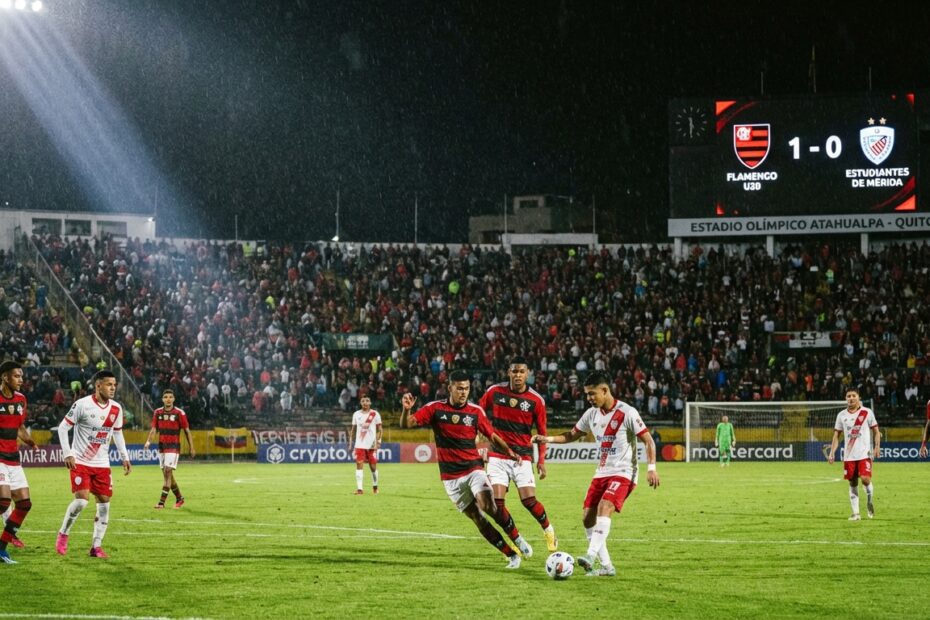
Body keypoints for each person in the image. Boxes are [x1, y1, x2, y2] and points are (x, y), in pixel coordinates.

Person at [533, 371, 659, 577]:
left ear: (605, 390)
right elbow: (571, 435)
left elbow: (648, 441)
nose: (589, 398)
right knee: (587, 518)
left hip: (624, 472)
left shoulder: (627, 412)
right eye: (587, 395)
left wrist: (651, 469)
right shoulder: (591, 414)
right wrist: (547, 439)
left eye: (592, 394)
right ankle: (607, 567)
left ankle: (590, 556)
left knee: (605, 506)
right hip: (601, 472)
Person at [400, 370, 529, 569]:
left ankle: (517, 538)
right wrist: (406, 410)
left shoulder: (475, 412)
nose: (464, 392)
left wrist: (509, 451)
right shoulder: (435, 409)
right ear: (449, 388)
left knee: (488, 505)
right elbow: (407, 424)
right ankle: (511, 554)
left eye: (467, 388)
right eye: (459, 388)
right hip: (450, 477)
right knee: (478, 518)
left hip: (473, 468)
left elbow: (492, 436)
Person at [478, 357, 557, 552]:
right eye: (514, 371)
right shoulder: (495, 392)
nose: (518, 375)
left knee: (528, 501)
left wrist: (541, 461)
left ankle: (549, 530)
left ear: (528, 373)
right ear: (508, 372)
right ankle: (518, 539)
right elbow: (477, 412)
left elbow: (542, 433)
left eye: (522, 371)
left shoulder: (536, 400)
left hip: (522, 457)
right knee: (496, 505)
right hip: (497, 455)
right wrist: (483, 431)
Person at [56, 370, 132, 558]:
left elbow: (117, 433)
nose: (113, 388)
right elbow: (63, 427)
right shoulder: (82, 405)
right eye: (109, 384)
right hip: (80, 461)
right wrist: (68, 453)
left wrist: (125, 456)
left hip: (102, 464)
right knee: (81, 501)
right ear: (98, 385)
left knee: (105, 505)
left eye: (114, 385)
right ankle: (63, 533)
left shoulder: (116, 409)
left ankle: (96, 547)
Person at [0, 361, 37, 564]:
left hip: (13, 458)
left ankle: (1, 549)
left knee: (24, 504)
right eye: (17, 376)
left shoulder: (21, 400)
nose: (21, 380)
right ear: (5, 377)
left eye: (21, 376)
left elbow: (20, 426)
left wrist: (29, 440)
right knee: (4, 501)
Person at [827, 387, 880, 520]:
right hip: (849, 456)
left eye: (853, 396)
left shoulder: (867, 412)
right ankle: (856, 513)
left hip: (864, 454)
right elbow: (836, 436)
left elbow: (876, 431)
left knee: (865, 479)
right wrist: (832, 452)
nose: (851, 398)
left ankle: (869, 501)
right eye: (848, 396)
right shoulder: (841, 415)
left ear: (858, 398)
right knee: (852, 482)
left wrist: (877, 446)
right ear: (846, 399)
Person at [143, 388, 195, 509]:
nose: (168, 399)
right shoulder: (157, 412)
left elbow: (187, 431)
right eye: (166, 397)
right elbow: (154, 429)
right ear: (162, 399)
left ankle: (161, 503)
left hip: (173, 446)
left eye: (170, 397)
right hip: (162, 447)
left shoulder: (179, 413)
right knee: (168, 476)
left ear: (174, 399)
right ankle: (180, 498)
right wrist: (148, 442)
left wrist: (191, 447)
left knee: (167, 471)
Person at [347, 396, 382, 495]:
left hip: (371, 445)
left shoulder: (375, 414)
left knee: (373, 467)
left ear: (370, 402)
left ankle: (375, 486)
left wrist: (379, 441)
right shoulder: (356, 414)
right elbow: (353, 430)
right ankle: (360, 489)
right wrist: (350, 443)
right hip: (360, 444)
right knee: (359, 464)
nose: (365, 403)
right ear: (360, 403)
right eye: (363, 401)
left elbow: (380, 430)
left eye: (367, 401)